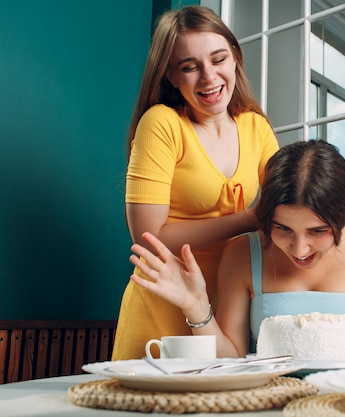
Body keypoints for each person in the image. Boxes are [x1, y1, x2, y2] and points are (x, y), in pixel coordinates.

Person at [128, 140, 345, 364]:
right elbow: (231, 360)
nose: (299, 248)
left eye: (317, 232)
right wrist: (196, 307)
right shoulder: (242, 253)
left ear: (341, 217)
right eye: (281, 229)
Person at [112, 6, 279, 360]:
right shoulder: (162, 124)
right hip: (163, 302)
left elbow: (286, 202)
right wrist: (251, 219)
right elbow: (148, 239)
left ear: (235, 58)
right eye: (189, 67)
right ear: (171, 76)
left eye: (218, 59)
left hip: (228, 307)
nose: (208, 77)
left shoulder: (256, 127)